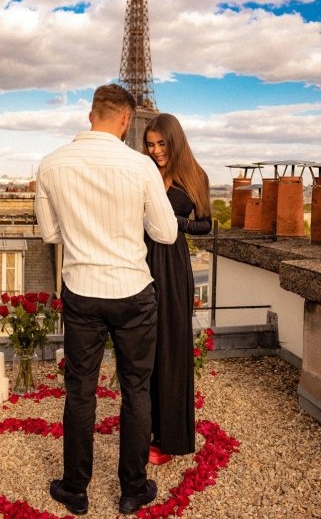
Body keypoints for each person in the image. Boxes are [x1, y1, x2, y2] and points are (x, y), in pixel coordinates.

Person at [35, 84, 177, 516]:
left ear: (90, 115)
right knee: (136, 390)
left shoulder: (51, 163)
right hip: (132, 290)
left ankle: (75, 488)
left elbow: (50, 234)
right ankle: (132, 489)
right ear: (126, 120)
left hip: (82, 290)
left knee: (80, 391)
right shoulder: (141, 165)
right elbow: (166, 232)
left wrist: (85, 232)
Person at [142, 113, 212, 462]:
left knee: (171, 348)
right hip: (140, 260)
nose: (156, 150)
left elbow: (205, 225)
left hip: (173, 265)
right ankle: (143, 428)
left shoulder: (196, 176)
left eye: (161, 143)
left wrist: (176, 222)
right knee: (144, 348)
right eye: (150, 144)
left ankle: (168, 437)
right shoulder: (143, 172)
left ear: (175, 141)